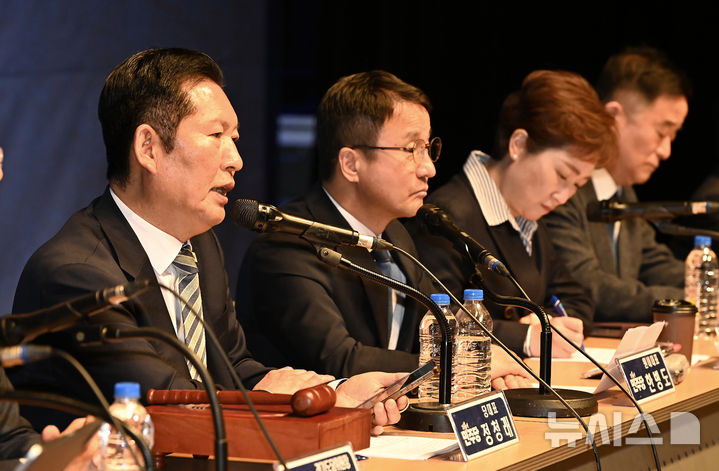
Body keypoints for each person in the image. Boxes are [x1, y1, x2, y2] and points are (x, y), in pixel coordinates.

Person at [8, 49, 406, 436]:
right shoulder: (76, 274)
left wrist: (337, 392)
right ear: (148, 148)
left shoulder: (200, 245)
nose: (236, 159)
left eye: (234, 137)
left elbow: (233, 370)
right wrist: (309, 400)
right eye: (216, 135)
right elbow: (172, 402)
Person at [237, 70, 531, 388]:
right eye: (411, 149)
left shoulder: (395, 235)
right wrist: (462, 363)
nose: (429, 168)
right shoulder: (286, 245)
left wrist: (515, 347)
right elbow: (343, 360)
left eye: (428, 147)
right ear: (351, 164)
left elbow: (439, 324)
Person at [409, 70, 616, 357]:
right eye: (562, 175)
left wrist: (548, 322)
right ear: (518, 145)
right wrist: (526, 335)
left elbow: (576, 299)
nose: (564, 195)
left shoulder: (528, 217)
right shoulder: (444, 216)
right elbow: (436, 317)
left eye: (577, 185)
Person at [544, 47, 690, 323]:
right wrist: (691, 301)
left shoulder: (623, 193)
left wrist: (707, 284)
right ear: (613, 117)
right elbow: (589, 286)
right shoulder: (562, 190)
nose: (666, 151)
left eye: (673, 136)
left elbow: (654, 263)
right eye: (662, 132)